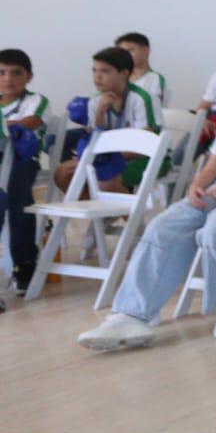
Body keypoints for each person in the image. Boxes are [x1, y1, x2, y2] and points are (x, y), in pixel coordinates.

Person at [75, 60, 216, 349]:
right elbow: (213, 166)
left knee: (215, 230)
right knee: (162, 225)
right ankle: (133, 314)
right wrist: (196, 187)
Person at [54, 46, 162, 193]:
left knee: (106, 180)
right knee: (62, 174)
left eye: (104, 71)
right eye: (94, 71)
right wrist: (99, 112)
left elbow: (145, 143)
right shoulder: (94, 101)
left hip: (148, 158)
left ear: (124, 73)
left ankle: (130, 216)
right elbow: (93, 138)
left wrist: (101, 157)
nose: (97, 77)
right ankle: (98, 214)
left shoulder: (143, 98)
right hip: (106, 157)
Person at [0, 48, 48, 292]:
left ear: (29, 77)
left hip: (21, 161)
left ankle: (24, 262)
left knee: (18, 199)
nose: (8, 79)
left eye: (16, 73)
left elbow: (31, 122)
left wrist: (8, 124)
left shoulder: (34, 100)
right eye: (2, 73)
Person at [116, 32, 169, 108]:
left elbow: (155, 108)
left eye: (129, 50)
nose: (125, 55)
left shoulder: (156, 79)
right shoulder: (116, 78)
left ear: (146, 50)